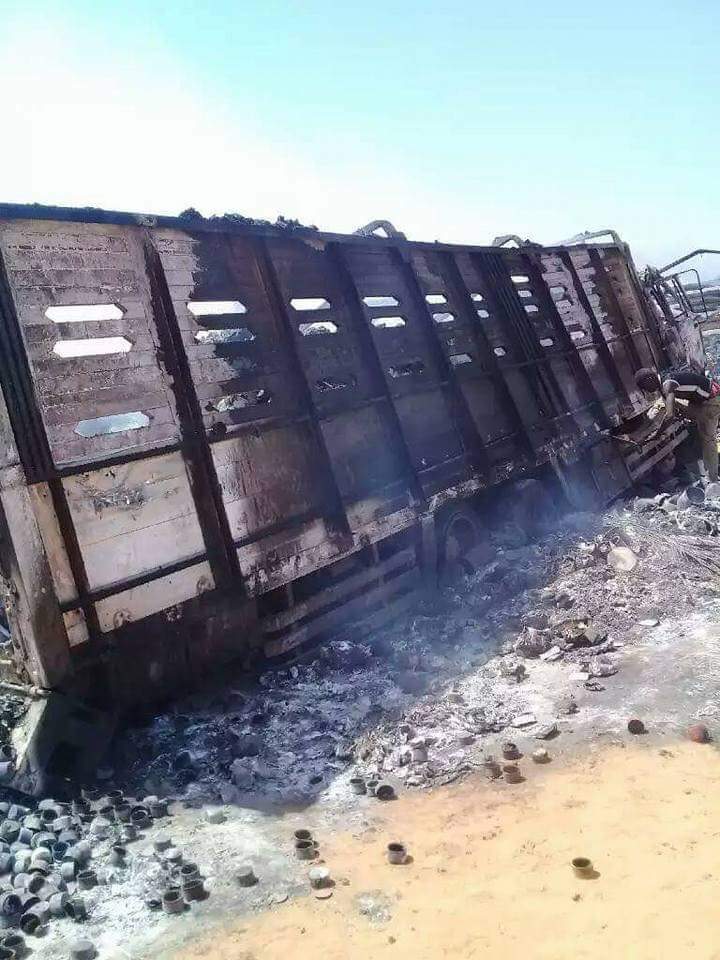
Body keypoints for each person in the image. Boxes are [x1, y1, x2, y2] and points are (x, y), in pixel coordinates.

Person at [634, 366, 720, 482]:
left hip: (712, 403)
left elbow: (670, 415)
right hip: (701, 402)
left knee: (708, 441)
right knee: (665, 404)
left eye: (644, 387)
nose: (646, 391)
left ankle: (713, 479)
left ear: (650, 379)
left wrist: (657, 434)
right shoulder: (663, 385)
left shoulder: (668, 385)